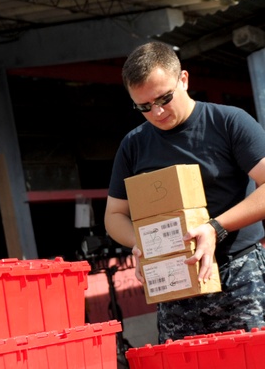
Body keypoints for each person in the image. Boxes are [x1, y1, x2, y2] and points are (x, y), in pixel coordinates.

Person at [105, 41, 265, 343]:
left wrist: (215, 227)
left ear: (184, 79)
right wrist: (140, 242)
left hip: (238, 274)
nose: (157, 111)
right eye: (144, 106)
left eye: (164, 98)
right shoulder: (133, 144)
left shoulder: (228, 122)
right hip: (174, 282)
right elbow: (114, 215)